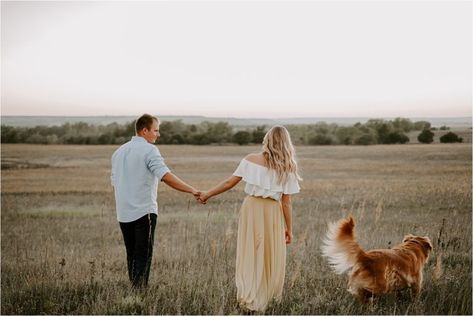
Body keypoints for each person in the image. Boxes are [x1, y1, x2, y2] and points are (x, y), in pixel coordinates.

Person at [199, 125, 301, 312]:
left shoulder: (250, 159)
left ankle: (249, 295)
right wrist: (289, 229)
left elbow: (230, 182)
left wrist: (208, 194)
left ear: (267, 139)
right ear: (287, 143)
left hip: (252, 207)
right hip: (272, 211)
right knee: (269, 252)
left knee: (251, 250)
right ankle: (266, 296)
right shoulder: (288, 167)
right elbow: (287, 203)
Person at [111, 113, 201, 288]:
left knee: (132, 254)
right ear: (145, 131)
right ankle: (139, 294)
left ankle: (135, 290)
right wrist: (192, 190)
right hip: (144, 212)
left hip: (123, 213)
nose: (158, 134)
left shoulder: (118, 152)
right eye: (156, 130)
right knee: (143, 255)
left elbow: (115, 184)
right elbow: (166, 176)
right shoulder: (149, 150)